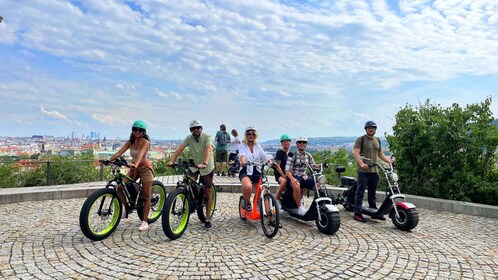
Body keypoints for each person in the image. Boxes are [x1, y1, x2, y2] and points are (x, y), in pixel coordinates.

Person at [166, 120, 215, 229]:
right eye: (193, 128)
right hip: (195, 165)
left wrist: (205, 163)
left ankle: (207, 218)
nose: (196, 130)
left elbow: (208, 150)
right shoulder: (189, 138)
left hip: (206, 167)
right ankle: (190, 202)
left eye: (198, 128)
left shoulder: (207, 137)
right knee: (187, 182)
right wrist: (172, 160)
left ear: (201, 129)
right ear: (191, 130)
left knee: (207, 192)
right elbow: (180, 148)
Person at [109, 120, 154, 231]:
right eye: (135, 130)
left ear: (143, 132)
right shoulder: (130, 142)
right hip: (133, 169)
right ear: (132, 131)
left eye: (140, 130)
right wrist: (108, 160)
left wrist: (136, 164)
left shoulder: (145, 142)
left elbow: (141, 154)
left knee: (146, 196)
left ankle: (144, 221)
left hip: (144, 169)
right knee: (119, 187)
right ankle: (127, 207)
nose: (137, 132)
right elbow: (120, 152)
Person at [352, 120, 391, 222]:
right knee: (360, 192)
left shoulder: (377, 140)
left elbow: (380, 154)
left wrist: (389, 161)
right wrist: (361, 164)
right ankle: (357, 213)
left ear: (375, 130)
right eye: (369, 128)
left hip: (375, 171)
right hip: (363, 171)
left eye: (373, 128)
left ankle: (374, 212)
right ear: (366, 129)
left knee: (372, 193)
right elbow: (356, 153)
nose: (371, 129)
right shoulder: (361, 139)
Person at [238, 126, 272, 211]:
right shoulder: (242, 145)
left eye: (253, 134)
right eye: (249, 134)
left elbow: (264, 156)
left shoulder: (258, 146)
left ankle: (270, 216)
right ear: (246, 135)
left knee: (263, 191)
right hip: (245, 169)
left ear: (255, 135)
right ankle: (247, 202)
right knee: (247, 186)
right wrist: (242, 161)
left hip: (256, 170)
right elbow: (241, 155)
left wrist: (270, 162)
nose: (251, 136)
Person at [284, 136, 320, 216]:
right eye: (300, 142)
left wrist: (322, 165)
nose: (302, 144)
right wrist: (292, 179)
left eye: (304, 142)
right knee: (296, 186)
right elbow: (287, 170)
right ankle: (300, 207)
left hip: (304, 177)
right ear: (297, 144)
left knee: (318, 185)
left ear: (306, 144)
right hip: (295, 176)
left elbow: (313, 166)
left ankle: (318, 205)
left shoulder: (308, 155)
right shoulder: (292, 155)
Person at [274, 134, 292, 209]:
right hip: (279, 174)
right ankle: (276, 198)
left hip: (288, 174)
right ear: (282, 143)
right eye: (284, 142)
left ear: (290, 142)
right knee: (284, 181)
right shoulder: (280, 152)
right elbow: (278, 166)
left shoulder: (291, 154)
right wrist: (283, 175)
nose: (286, 143)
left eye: (287, 141)